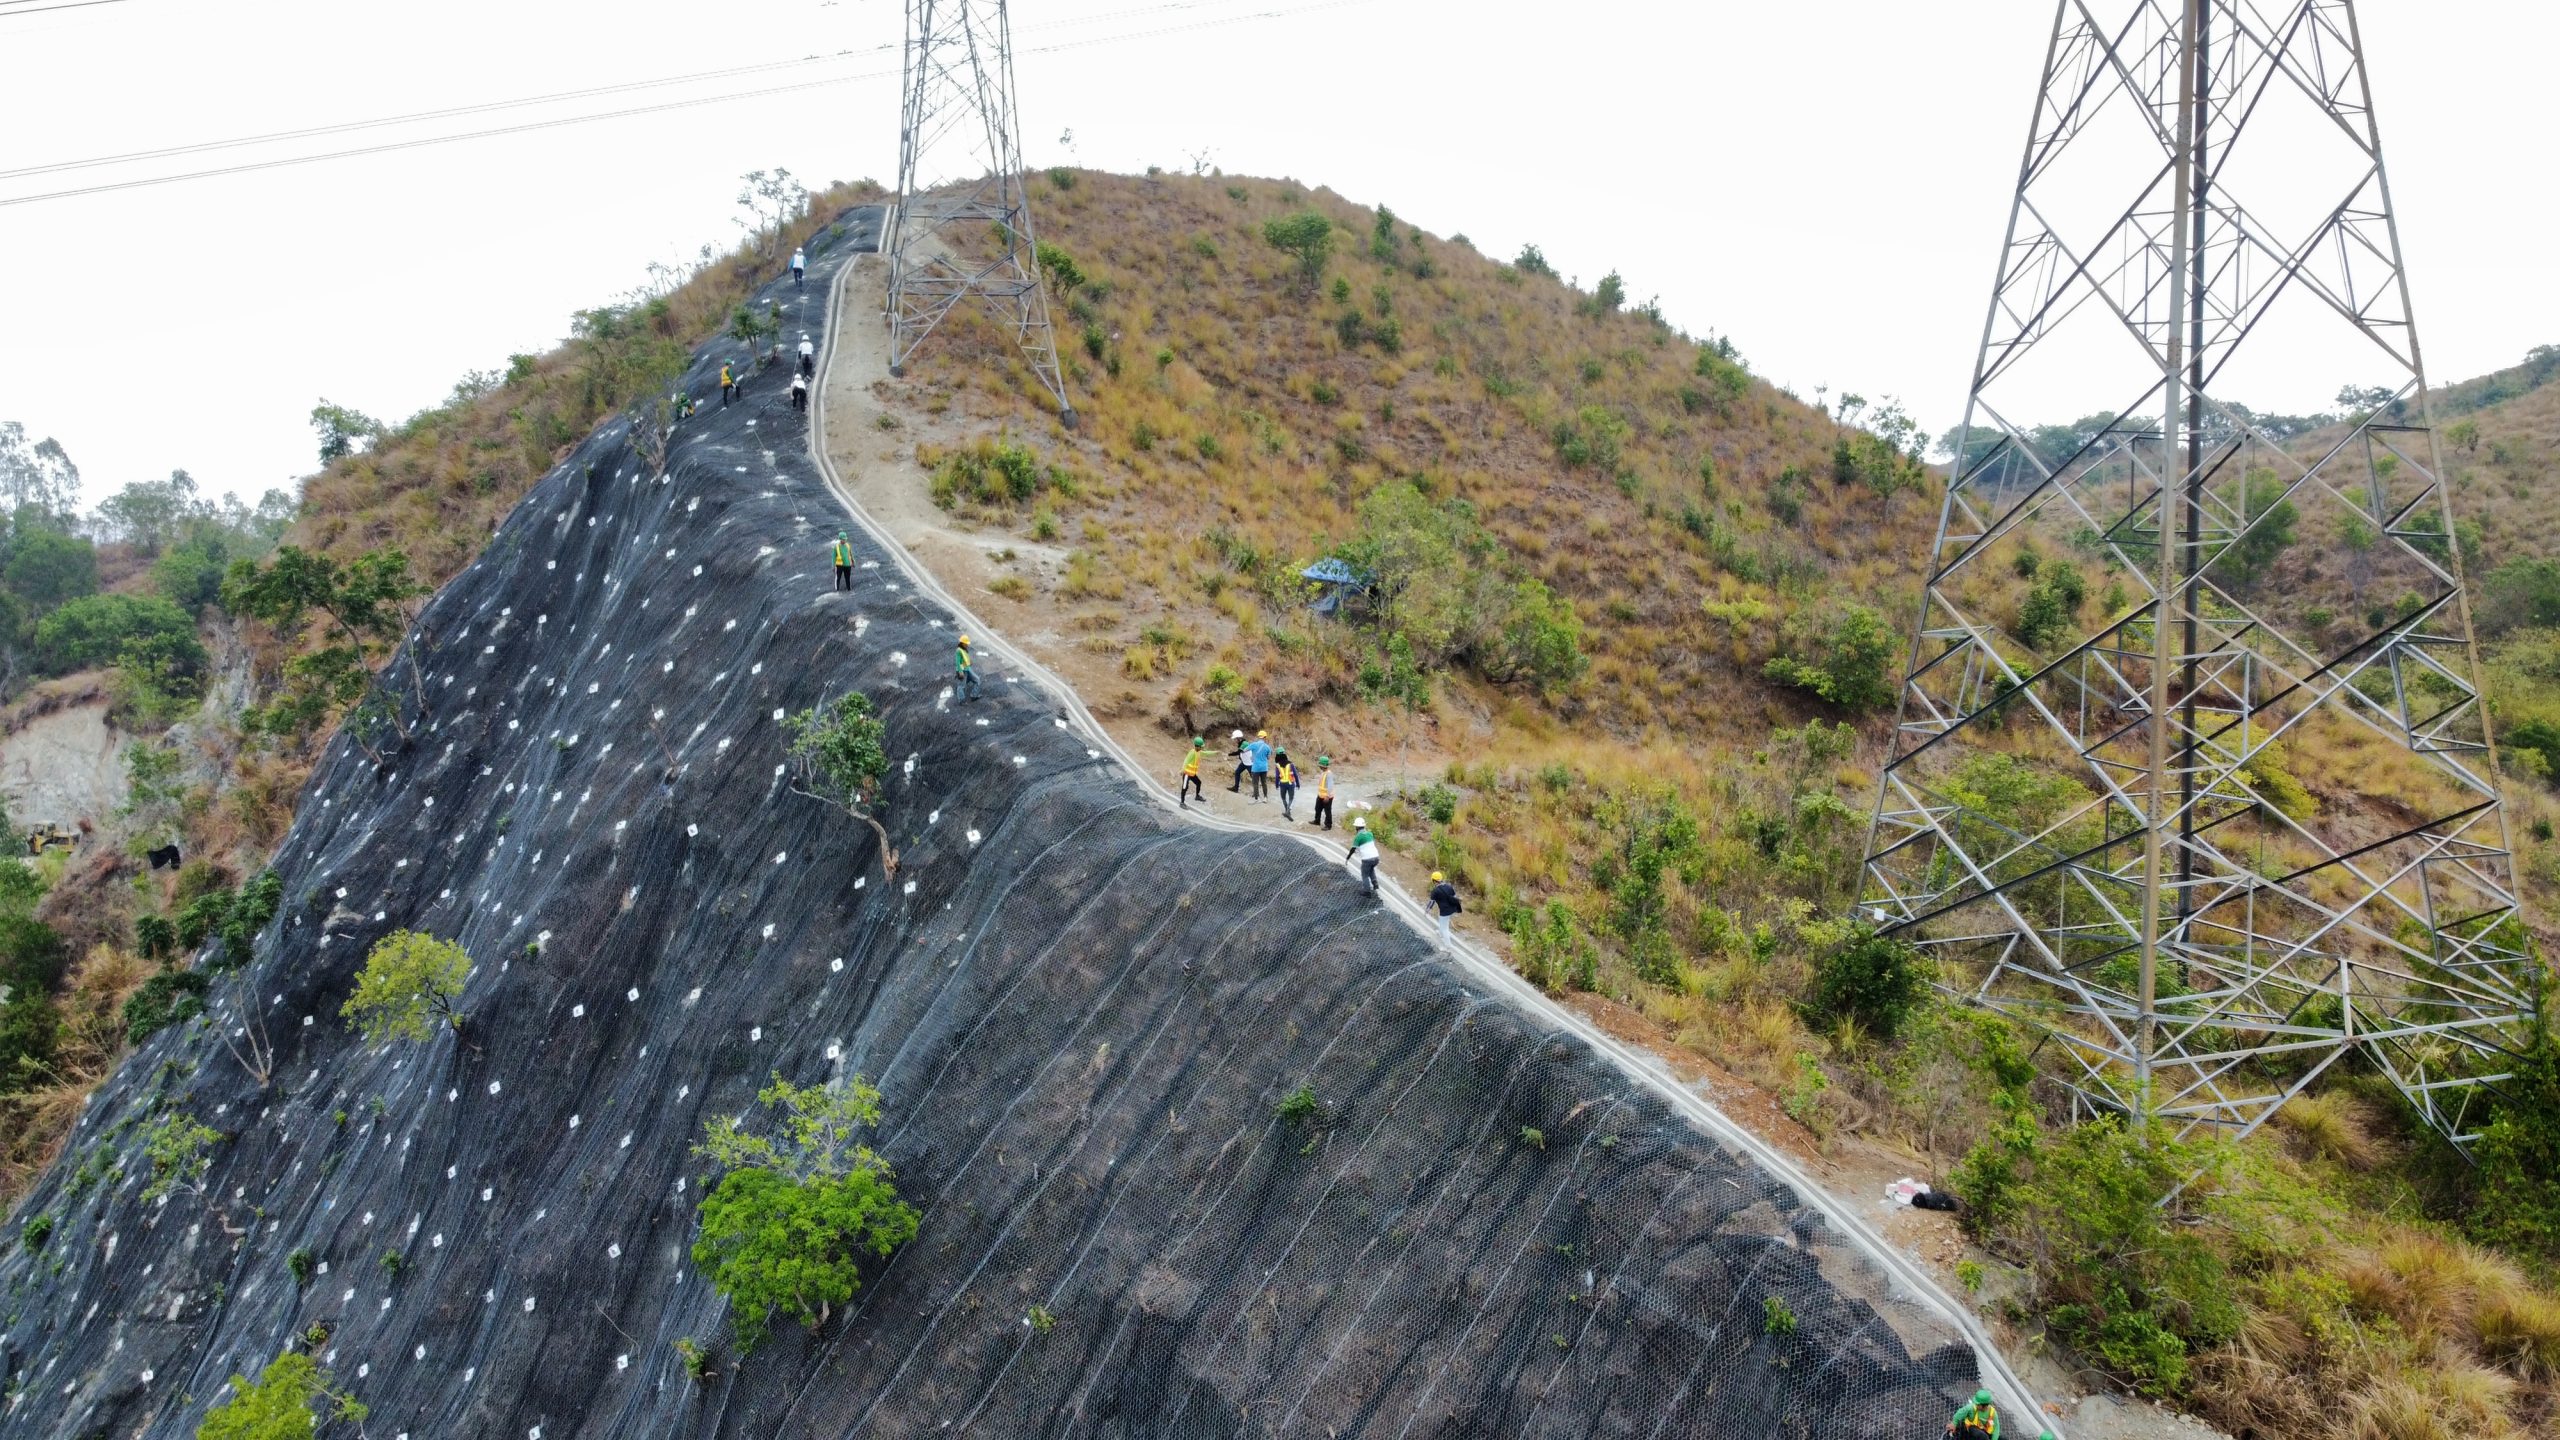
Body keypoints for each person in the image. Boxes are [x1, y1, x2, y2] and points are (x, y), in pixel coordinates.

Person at [1346, 818, 1381, 896]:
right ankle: (1375, 883)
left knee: (1364, 874)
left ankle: (1367, 891)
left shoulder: (1358, 837)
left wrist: (1348, 857)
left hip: (1367, 859)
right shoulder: (1370, 834)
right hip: (1376, 857)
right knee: (1371, 868)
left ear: (1357, 827)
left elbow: (1353, 849)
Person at [1429, 871, 1461, 949]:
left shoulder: (1435, 891)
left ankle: (1448, 946)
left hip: (1445, 912)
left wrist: (1427, 910)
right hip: (1453, 908)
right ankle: (1440, 933)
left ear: (1434, 881)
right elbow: (1455, 896)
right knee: (1442, 922)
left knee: (1445, 928)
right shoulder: (1449, 886)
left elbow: (1431, 903)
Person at [1245, 729, 1274, 801]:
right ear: (1265, 737)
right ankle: (1265, 797)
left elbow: (1245, 750)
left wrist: (1252, 756)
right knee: (1264, 782)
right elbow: (1268, 757)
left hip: (1256, 767)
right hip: (1264, 767)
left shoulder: (1254, 744)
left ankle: (1256, 798)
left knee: (1255, 783)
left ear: (1259, 737)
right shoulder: (1267, 747)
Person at [1178, 737, 1205, 808]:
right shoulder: (1192, 753)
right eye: (1201, 746)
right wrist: (1182, 770)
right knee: (1185, 787)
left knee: (1199, 783)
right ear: (1197, 746)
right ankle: (1182, 802)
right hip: (1187, 773)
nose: (1202, 748)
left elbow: (1206, 753)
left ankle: (1197, 796)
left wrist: (1215, 752)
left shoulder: (1198, 752)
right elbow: (1186, 761)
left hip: (1192, 774)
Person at [1272, 750, 1298, 819]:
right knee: (1291, 798)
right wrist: (1298, 783)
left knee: (1283, 798)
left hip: (1282, 784)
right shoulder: (1291, 764)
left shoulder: (1277, 765)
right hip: (1291, 783)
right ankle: (1288, 811)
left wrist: (1277, 785)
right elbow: (1295, 774)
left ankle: (1287, 811)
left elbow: (1277, 776)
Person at [1311, 756, 1335, 830]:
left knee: (1327, 811)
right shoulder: (1324, 773)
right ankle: (1317, 821)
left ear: (1323, 765)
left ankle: (1328, 825)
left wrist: (1327, 796)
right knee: (1317, 808)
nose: (1319, 766)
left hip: (1327, 797)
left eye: (1320, 765)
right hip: (1321, 795)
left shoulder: (1329, 774)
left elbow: (1330, 786)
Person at [955, 634, 980, 702]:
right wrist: (960, 672)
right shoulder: (958, 651)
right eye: (966, 644)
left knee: (977, 680)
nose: (967, 645)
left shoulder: (964, 649)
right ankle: (961, 700)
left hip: (968, 668)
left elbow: (965, 658)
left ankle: (974, 695)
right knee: (961, 686)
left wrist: (969, 662)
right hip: (963, 671)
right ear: (962, 643)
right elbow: (957, 663)